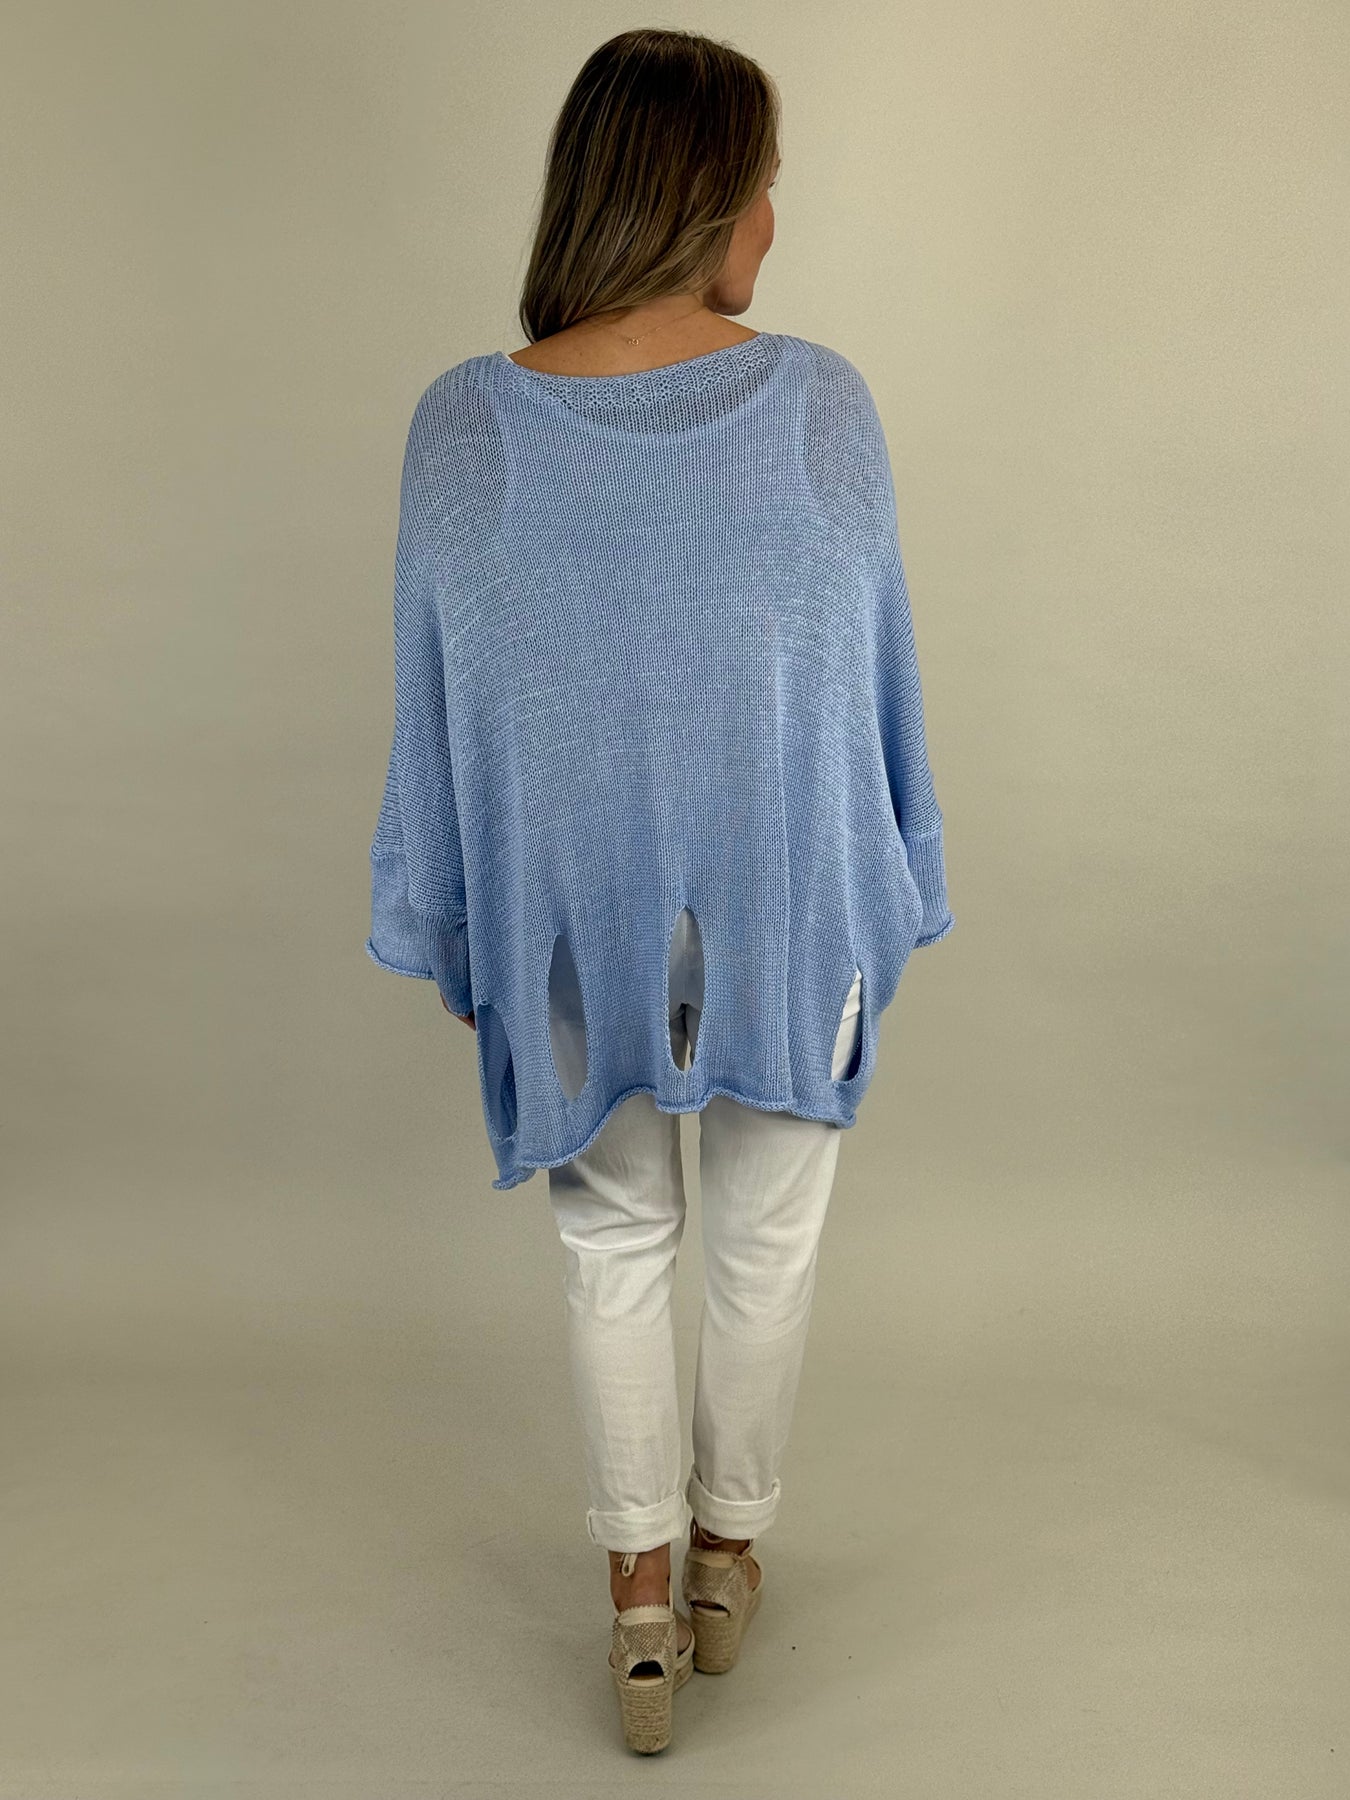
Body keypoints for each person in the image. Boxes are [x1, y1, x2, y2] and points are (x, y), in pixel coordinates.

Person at [365, 26, 954, 1754]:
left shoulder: (465, 424)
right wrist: (899, 860)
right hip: (786, 902)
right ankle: (720, 1561)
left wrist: (459, 917)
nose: (774, 218)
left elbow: (444, 708)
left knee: (610, 1237)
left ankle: (634, 1611)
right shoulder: (820, 401)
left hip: (569, 916)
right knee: (766, 1240)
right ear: (700, 195)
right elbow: (867, 681)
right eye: (762, 183)